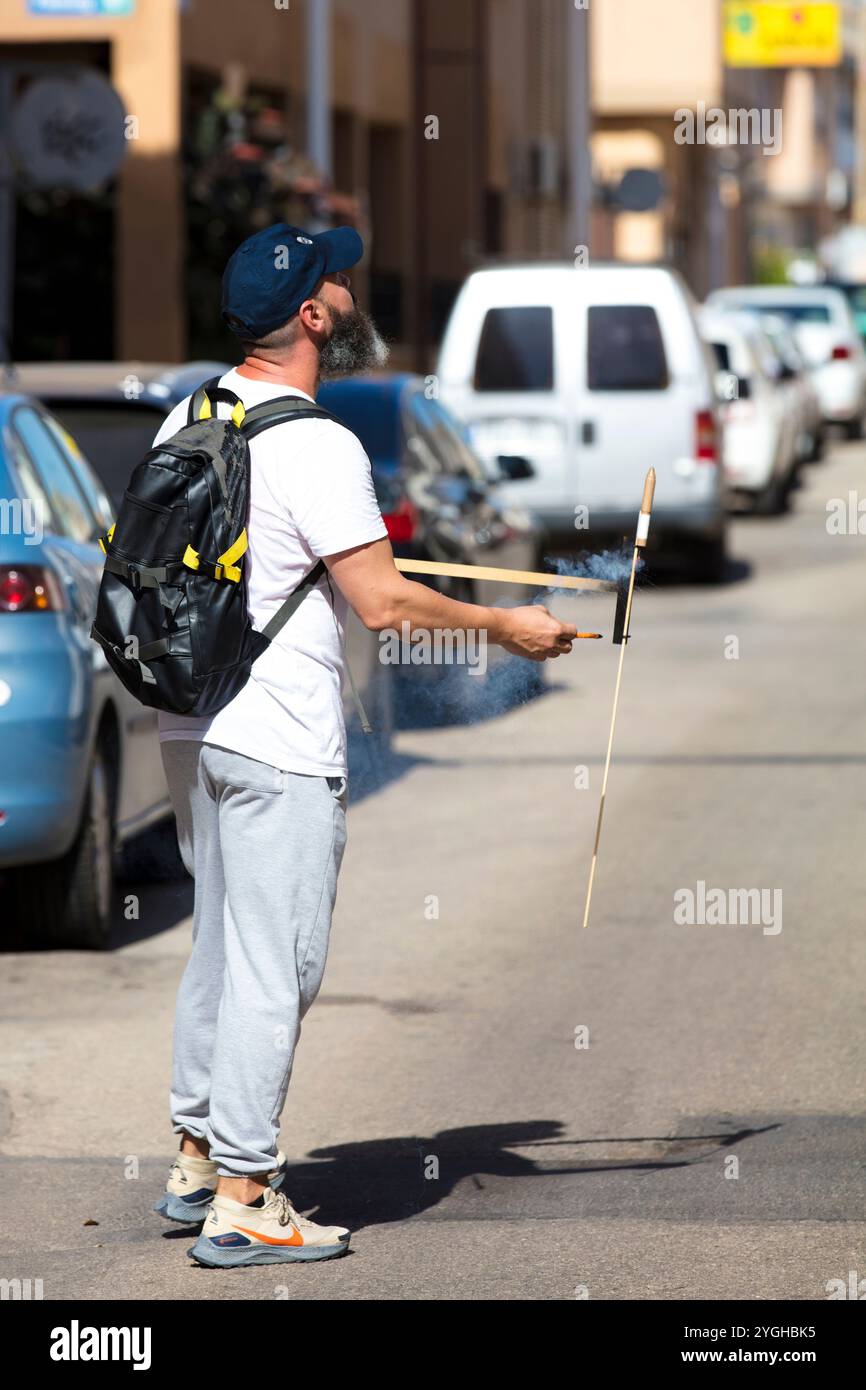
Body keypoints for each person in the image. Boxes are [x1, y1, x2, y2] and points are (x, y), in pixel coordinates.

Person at [153, 221, 578, 1268]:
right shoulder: (317, 442)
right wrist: (506, 624)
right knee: (273, 965)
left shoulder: (188, 413)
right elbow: (383, 603)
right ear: (308, 316)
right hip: (277, 738)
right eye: (333, 284)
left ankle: (196, 1153)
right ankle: (248, 1195)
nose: (348, 292)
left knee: (220, 942)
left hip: (187, 725)